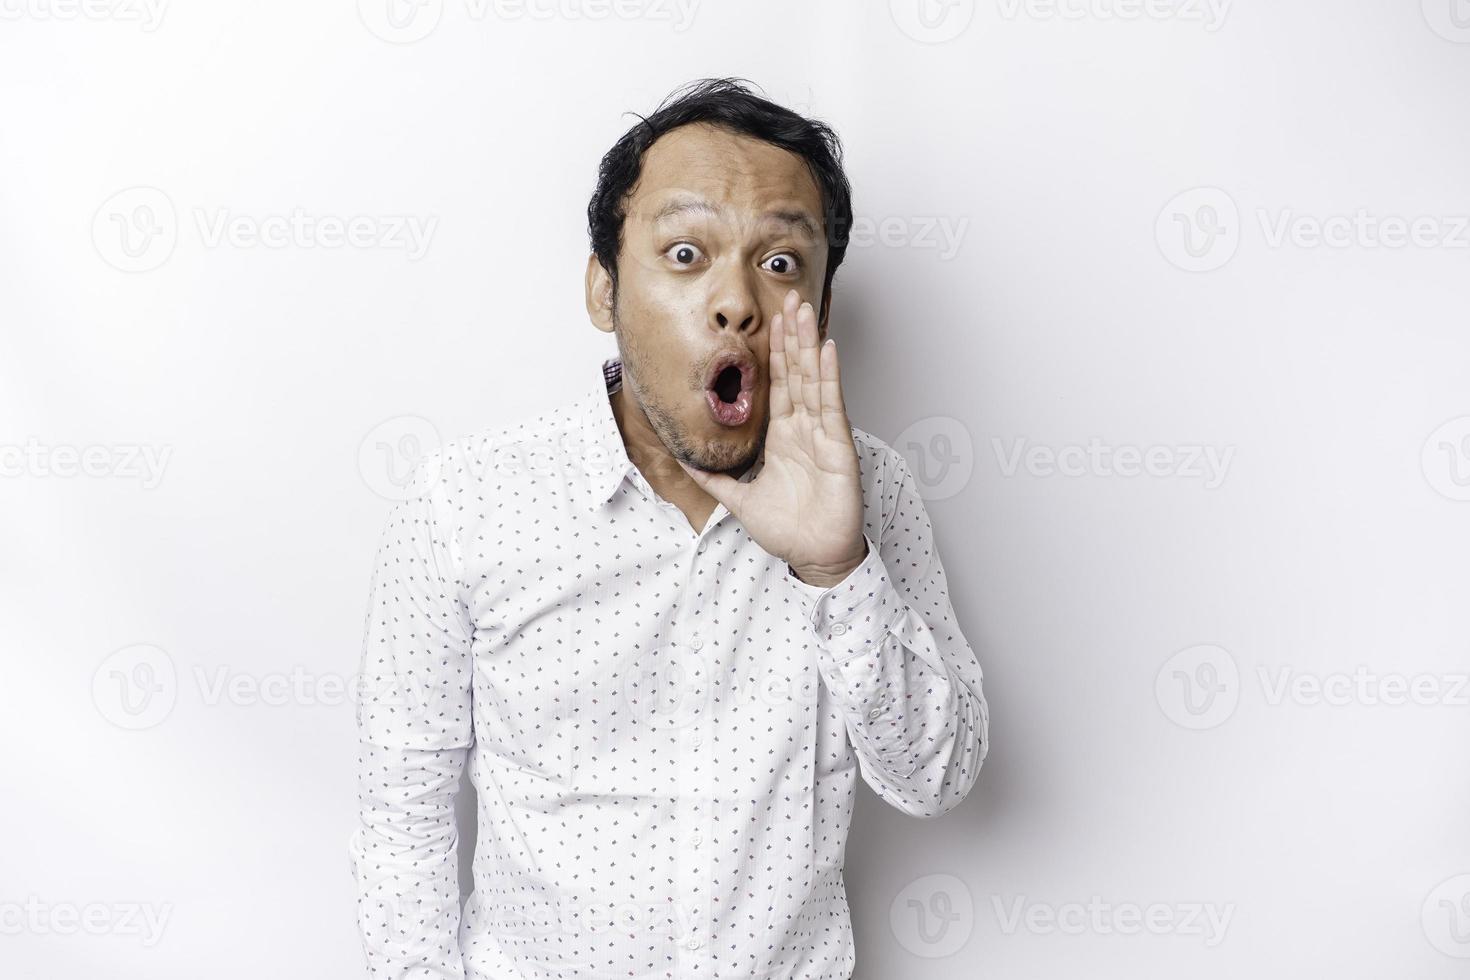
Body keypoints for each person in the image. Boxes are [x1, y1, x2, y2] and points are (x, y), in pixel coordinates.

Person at [349, 76, 990, 980]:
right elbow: (401, 820)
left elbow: (939, 777)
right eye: (686, 253)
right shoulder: (464, 504)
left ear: (822, 308)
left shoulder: (873, 491)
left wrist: (837, 567)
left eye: (779, 264)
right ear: (604, 289)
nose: (736, 302)